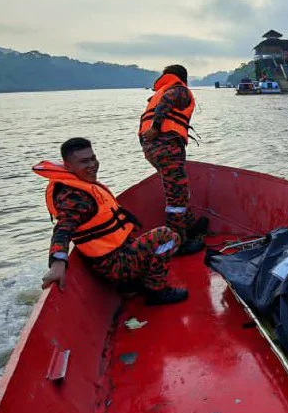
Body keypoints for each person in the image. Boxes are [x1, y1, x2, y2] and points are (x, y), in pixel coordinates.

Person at [35, 138, 188, 305]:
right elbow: (62, 229)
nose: (92, 165)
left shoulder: (80, 183)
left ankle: (131, 284)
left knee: (171, 238)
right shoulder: (74, 197)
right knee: (167, 237)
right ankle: (156, 290)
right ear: (68, 166)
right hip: (113, 265)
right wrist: (58, 262)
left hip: (118, 254)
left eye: (93, 158)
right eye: (84, 161)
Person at [138, 63, 208, 254]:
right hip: (165, 146)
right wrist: (157, 126)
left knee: (177, 187)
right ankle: (177, 242)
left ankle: (190, 225)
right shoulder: (178, 90)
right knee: (176, 193)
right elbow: (165, 105)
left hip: (152, 148)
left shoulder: (160, 92)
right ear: (183, 78)